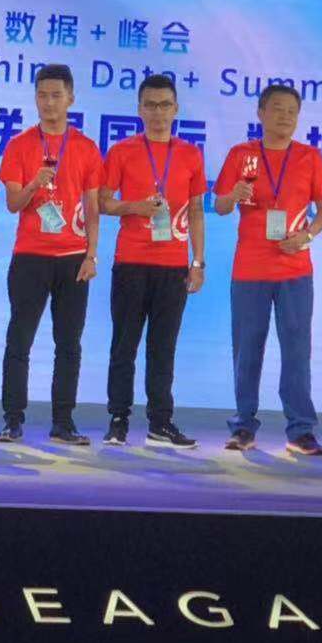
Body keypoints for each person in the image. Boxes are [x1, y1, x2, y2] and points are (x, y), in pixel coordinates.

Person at [214, 85, 322, 454]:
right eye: (277, 109)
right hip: (250, 269)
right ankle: (243, 426)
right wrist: (233, 196)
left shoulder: (309, 157)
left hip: (294, 268)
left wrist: (307, 236)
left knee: (297, 351)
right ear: (260, 113)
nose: (285, 117)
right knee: (247, 351)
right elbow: (219, 206)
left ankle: (300, 430)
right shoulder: (242, 154)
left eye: (291, 111)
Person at [0, 64, 102, 444]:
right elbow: (12, 204)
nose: (49, 102)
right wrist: (33, 184)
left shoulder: (86, 148)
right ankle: (12, 419)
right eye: (42, 95)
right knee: (19, 340)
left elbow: (93, 207)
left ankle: (63, 422)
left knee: (68, 345)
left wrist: (92, 255)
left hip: (73, 258)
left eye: (57, 95)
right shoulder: (20, 145)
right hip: (30, 257)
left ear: (70, 98)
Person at [99, 75, 206, 448]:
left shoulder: (190, 154)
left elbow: (196, 210)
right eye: (150, 105)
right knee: (124, 345)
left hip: (173, 264)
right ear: (139, 109)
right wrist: (135, 207)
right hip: (131, 261)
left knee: (163, 347)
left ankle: (161, 422)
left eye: (165, 105)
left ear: (176, 109)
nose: (158, 112)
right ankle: (118, 419)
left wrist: (198, 262)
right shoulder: (122, 151)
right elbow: (102, 202)